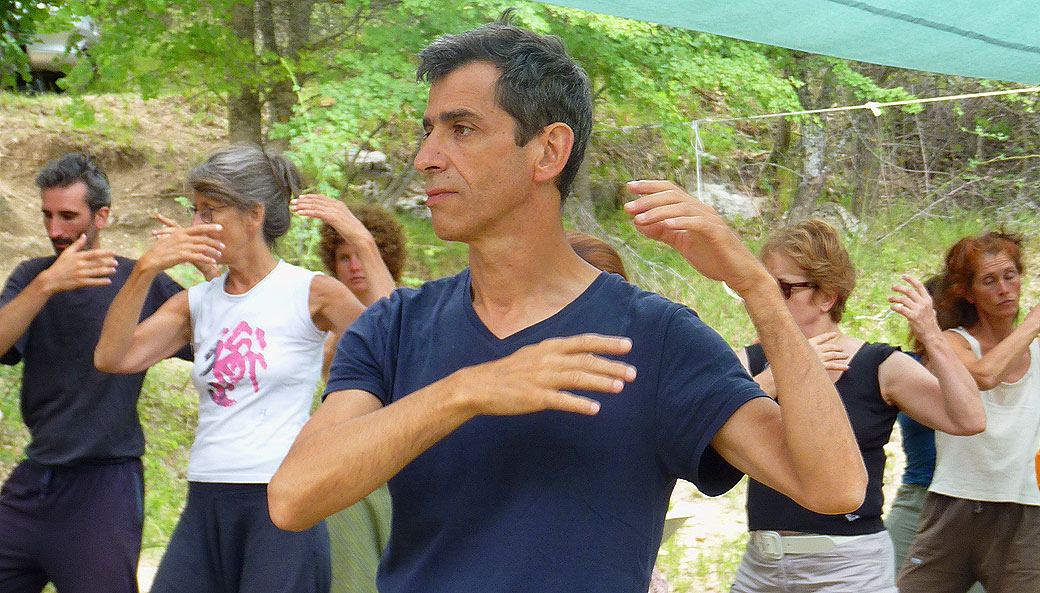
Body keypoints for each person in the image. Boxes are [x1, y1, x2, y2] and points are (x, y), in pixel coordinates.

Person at [267, 17, 869, 593]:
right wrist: (465, 392)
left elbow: (835, 487)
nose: (426, 157)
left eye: (462, 128)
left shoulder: (655, 337)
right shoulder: (395, 327)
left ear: (549, 151)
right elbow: (294, 497)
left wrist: (758, 289)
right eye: (428, 130)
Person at [94, 144, 365, 593]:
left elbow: (391, 350)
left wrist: (362, 242)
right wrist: (144, 270)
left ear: (253, 216)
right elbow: (112, 357)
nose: (196, 225)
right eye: (195, 211)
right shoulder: (195, 304)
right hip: (206, 498)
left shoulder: (312, 292)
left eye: (209, 211)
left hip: (283, 502)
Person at [730, 220, 984, 593]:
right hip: (762, 565)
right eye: (760, 287)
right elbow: (713, 439)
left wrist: (931, 332)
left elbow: (969, 418)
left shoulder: (878, 366)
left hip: (849, 568)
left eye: (781, 288)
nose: (766, 299)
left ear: (826, 296)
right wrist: (784, 375)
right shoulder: (749, 364)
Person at [0, 152, 190, 593]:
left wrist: (215, 274)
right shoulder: (32, 277)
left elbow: (218, 343)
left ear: (101, 216)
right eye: (47, 215)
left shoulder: (139, 280)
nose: (54, 231)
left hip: (105, 486)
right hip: (36, 478)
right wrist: (46, 285)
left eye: (68, 216)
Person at [898, 231, 1040, 593]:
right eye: (989, 281)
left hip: (1025, 506)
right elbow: (982, 375)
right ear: (967, 292)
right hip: (954, 501)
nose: (1005, 289)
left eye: (1010, 275)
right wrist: (1032, 326)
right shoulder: (953, 342)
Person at [294, 193, 404, 593]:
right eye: (344, 257)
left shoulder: (411, 306)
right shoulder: (323, 315)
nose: (354, 266)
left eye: (360, 254)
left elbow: (393, 336)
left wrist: (361, 239)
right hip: (344, 459)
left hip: (401, 460)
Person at [883, 276, 985, 593]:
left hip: (980, 504)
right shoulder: (905, 365)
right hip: (919, 497)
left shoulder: (985, 365)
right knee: (886, 583)